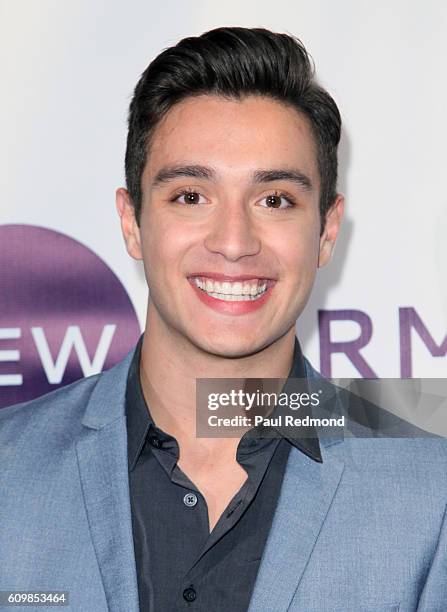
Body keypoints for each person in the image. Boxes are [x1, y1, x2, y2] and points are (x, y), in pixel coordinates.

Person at [0, 26, 446, 612]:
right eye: (190, 195)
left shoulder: (430, 494)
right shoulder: (9, 470)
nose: (234, 242)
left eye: (275, 200)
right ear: (132, 222)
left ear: (326, 231)